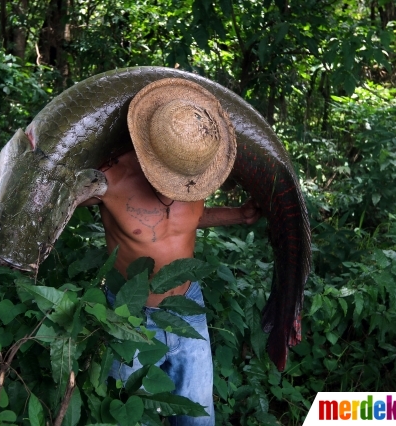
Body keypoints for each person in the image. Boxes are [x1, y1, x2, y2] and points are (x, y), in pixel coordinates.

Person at [79, 79, 260, 425]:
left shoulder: (197, 168)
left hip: (187, 307)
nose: (176, 190)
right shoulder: (109, 176)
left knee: (198, 419)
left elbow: (187, 220)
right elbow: (52, 197)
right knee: (127, 415)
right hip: (129, 314)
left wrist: (238, 214)